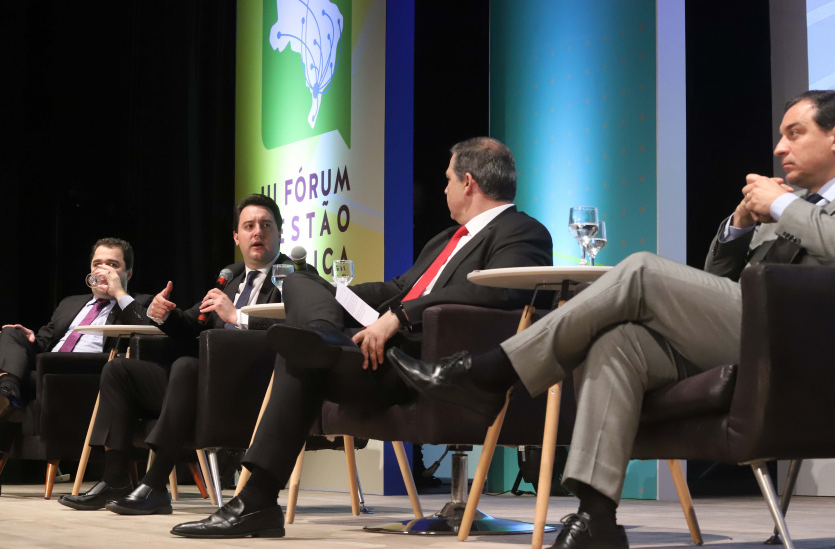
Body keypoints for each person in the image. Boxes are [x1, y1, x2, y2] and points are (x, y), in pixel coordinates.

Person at [385, 90, 835, 549]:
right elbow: (720, 279)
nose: (779, 148)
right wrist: (736, 225)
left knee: (638, 270)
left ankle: (491, 373)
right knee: (618, 342)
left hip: (808, 341)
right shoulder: (791, 203)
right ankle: (597, 517)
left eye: (794, 134)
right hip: (749, 332)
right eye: (780, 136)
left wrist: (783, 208)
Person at [169, 136, 553, 538]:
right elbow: (397, 287)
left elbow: (499, 290)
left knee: (300, 355)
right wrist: (334, 293)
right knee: (299, 283)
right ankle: (323, 338)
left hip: (425, 363)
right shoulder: (445, 240)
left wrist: (400, 316)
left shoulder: (521, 231)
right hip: (375, 352)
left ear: (469, 182)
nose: (444, 189)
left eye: (448, 180)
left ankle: (257, 500)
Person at [58, 194, 296, 513]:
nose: (258, 232)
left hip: (255, 390)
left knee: (186, 367)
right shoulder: (230, 283)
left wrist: (238, 317)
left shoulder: (293, 278)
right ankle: (115, 479)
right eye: (249, 226)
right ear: (237, 237)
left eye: (266, 225)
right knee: (120, 371)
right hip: (203, 387)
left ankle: (155, 484)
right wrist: (163, 314)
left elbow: (298, 328)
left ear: (280, 233)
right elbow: (189, 327)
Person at [0, 238, 150, 428]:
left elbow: (148, 332)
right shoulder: (69, 303)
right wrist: (27, 337)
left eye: (113, 265)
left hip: (86, 374)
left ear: (128, 274)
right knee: (11, 333)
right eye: (97, 264)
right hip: (46, 368)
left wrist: (119, 293)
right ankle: (7, 391)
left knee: (22, 374)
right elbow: (42, 344)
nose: (103, 270)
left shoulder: (140, 303)